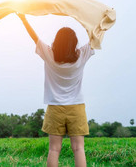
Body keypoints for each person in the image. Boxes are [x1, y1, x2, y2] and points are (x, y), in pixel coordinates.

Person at [17, 13, 94, 167]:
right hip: (76, 107)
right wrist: (95, 20)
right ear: (75, 42)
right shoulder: (82, 55)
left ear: (57, 41)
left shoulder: (49, 55)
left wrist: (23, 18)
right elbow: (96, 37)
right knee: (79, 149)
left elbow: (34, 37)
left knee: (54, 149)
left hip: (55, 108)